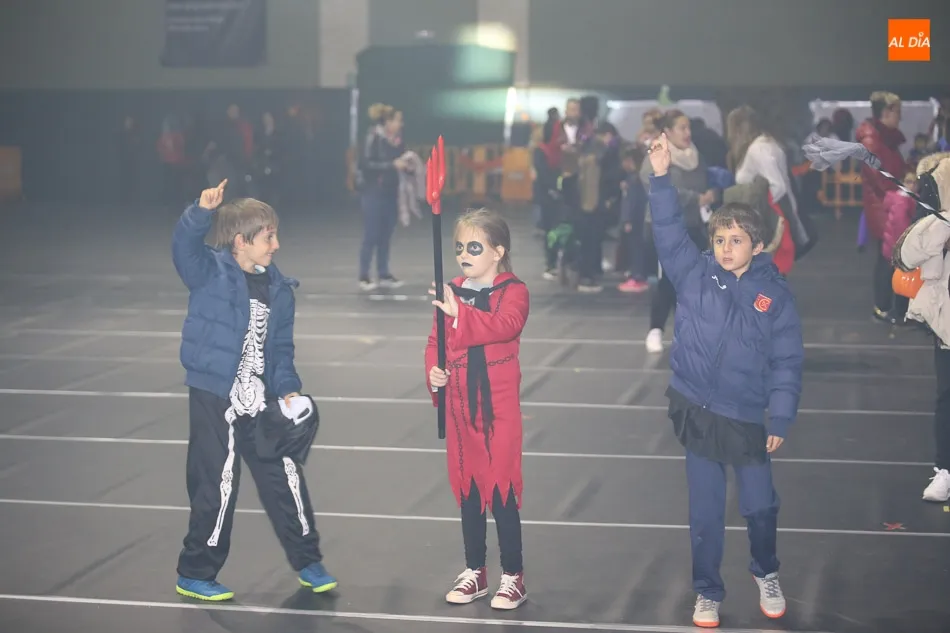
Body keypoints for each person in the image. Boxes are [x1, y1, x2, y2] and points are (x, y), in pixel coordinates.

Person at [646, 134, 804, 628]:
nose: (726, 248)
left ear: (757, 245)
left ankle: (766, 571)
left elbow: (787, 361)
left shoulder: (775, 296)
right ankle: (707, 591)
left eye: (736, 240)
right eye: (719, 240)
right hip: (697, 409)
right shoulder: (693, 275)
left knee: (760, 506)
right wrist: (660, 177)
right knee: (706, 514)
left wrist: (781, 415)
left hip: (745, 416)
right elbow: (669, 230)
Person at [171, 179, 337, 601]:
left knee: (285, 477)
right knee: (217, 482)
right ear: (241, 242)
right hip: (214, 395)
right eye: (269, 237)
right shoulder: (208, 271)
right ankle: (195, 572)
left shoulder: (280, 289)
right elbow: (183, 248)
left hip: (260, 398)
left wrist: (289, 390)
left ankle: (308, 560)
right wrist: (200, 213)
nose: (276, 245)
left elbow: (280, 350)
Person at [424, 208, 530, 610]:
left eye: (473, 247)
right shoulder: (452, 289)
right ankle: (475, 570)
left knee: (501, 486)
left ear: (497, 252)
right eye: (459, 248)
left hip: (498, 404)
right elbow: (435, 341)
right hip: (460, 404)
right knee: (468, 486)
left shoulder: (514, 291)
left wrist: (460, 313)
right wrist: (434, 372)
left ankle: (513, 576)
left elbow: (505, 326)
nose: (463, 255)